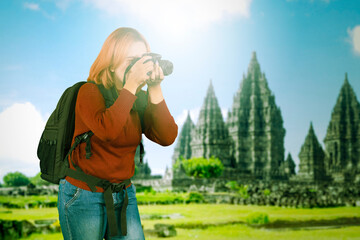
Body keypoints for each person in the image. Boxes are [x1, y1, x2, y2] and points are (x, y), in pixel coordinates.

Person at [57, 27, 178, 240]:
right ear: (112, 64)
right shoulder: (88, 92)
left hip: (123, 194)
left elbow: (167, 136)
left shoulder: (137, 100)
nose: (137, 67)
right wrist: (131, 84)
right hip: (83, 193)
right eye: (131, 60)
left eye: (143, 60)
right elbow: (108, 131)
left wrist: (155, 87)